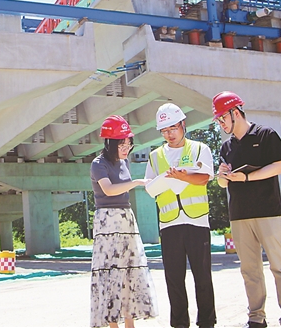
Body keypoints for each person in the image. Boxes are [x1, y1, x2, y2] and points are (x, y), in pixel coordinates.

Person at [213, 91, 281, 328]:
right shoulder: (226, 147)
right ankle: (256, 317)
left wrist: (247, 178)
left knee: (280, 267)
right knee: (249, 270)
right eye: (218, 120)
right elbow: (223, 184)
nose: (221, 124)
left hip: (268, 212)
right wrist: (222, 176)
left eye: (222, 118)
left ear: (235, 113)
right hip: (239, 216)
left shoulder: (266, 135)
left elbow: (277, 167)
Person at [144, 103, 217, 328]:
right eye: (164, 131)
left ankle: (207, 322)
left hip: (197, 221)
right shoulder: (155, 156)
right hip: (169, 224)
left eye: (173, 128)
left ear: (183, 124)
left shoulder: (199, 149)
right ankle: (179, 324)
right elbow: (150, 186)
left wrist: (182, 177)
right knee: (174, 279)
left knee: (202, 276)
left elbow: (204, 178)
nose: (169, 134)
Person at [90, 115, 158, 328]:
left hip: (126, 218)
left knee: (130, 270)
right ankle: (113, 324)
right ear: (110, 143)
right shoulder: (98, 164)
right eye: (122, 144)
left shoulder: (124, 162)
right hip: (107, 221)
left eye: (129, 144)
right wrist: (136, 182)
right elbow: (109, 190)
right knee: (111, 271)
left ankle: (130, 323)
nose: (126, 148)